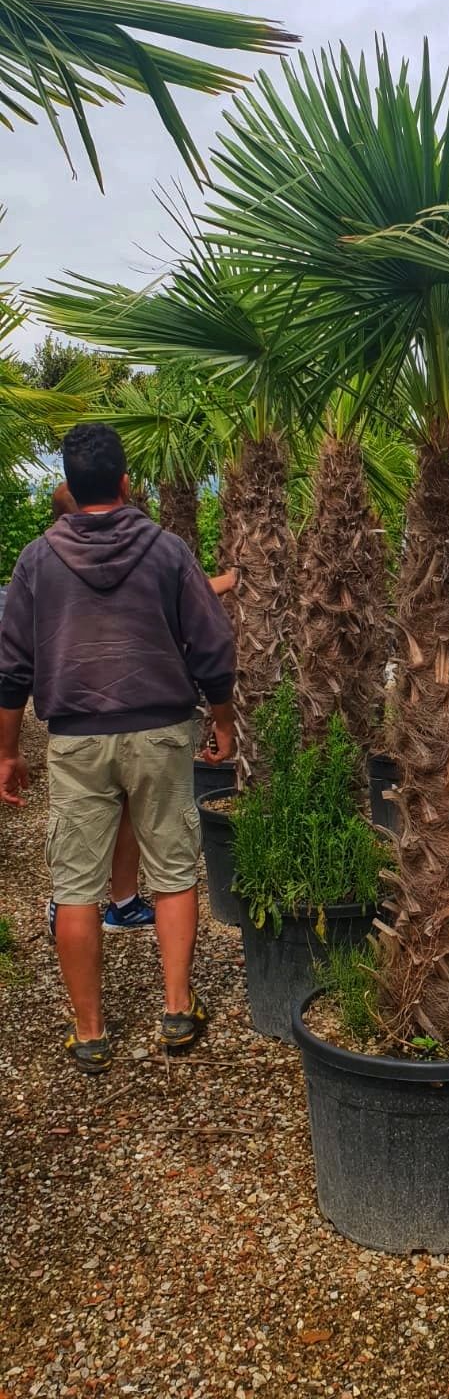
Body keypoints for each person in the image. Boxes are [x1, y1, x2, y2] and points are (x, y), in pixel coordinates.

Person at [0, 425, 236, 1074]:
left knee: (75, 885)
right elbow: (213, 647)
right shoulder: (167, 551)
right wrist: (224, 723)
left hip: (75, 736)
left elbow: (11, 666)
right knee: (174, 867)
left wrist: (7, 752)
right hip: (161, 729)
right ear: (127, 482)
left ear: (70, 488)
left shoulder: (36, 560)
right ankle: (177, 1010)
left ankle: (90, 1032)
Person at [45, 483, 237, 938]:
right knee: (163, 866)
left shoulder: (44, 561)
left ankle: (121, 902)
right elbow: (162, 607)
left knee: (111, 820)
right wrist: (223, 584)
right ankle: (173, 999)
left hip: (83, 727)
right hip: (146, 722)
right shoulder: (149, 550)